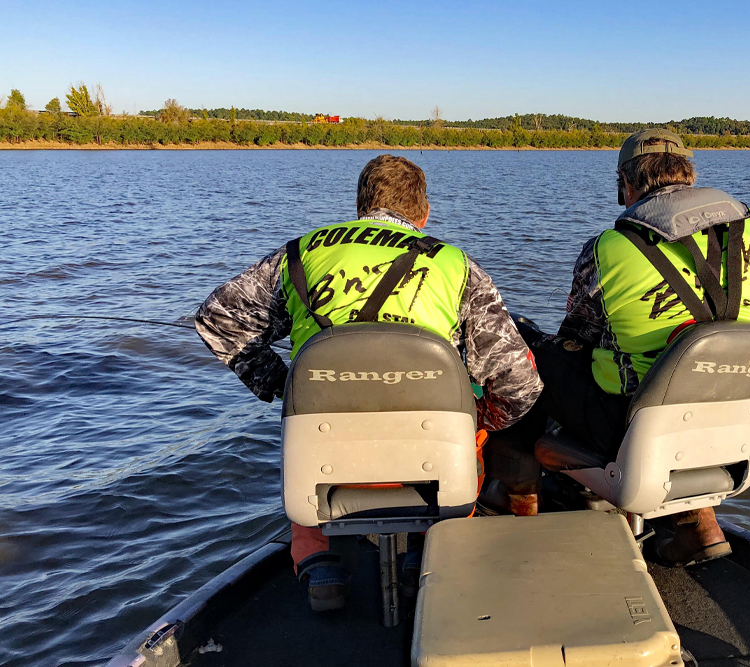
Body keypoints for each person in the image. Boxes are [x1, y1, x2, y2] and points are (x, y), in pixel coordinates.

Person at [195, 154, 543, 611]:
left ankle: (319, 563)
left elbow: (217, 320)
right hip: (431, 456)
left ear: (360, 207)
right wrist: (478, 419)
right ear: (424, 213)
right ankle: (430, 548)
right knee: (472, 418)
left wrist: (284, 384)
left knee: (304, 420)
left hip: (326, 457)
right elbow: (519, 384)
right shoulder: (456, 267)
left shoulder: (298, 256)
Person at [488, 129, 750, 566]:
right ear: (689, 176)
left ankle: (521, 503)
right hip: (736, 424)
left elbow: (575, 337)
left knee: (525, 355)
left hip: (631, 428)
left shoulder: (608, 247)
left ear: (626, 184)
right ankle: (699, 526)